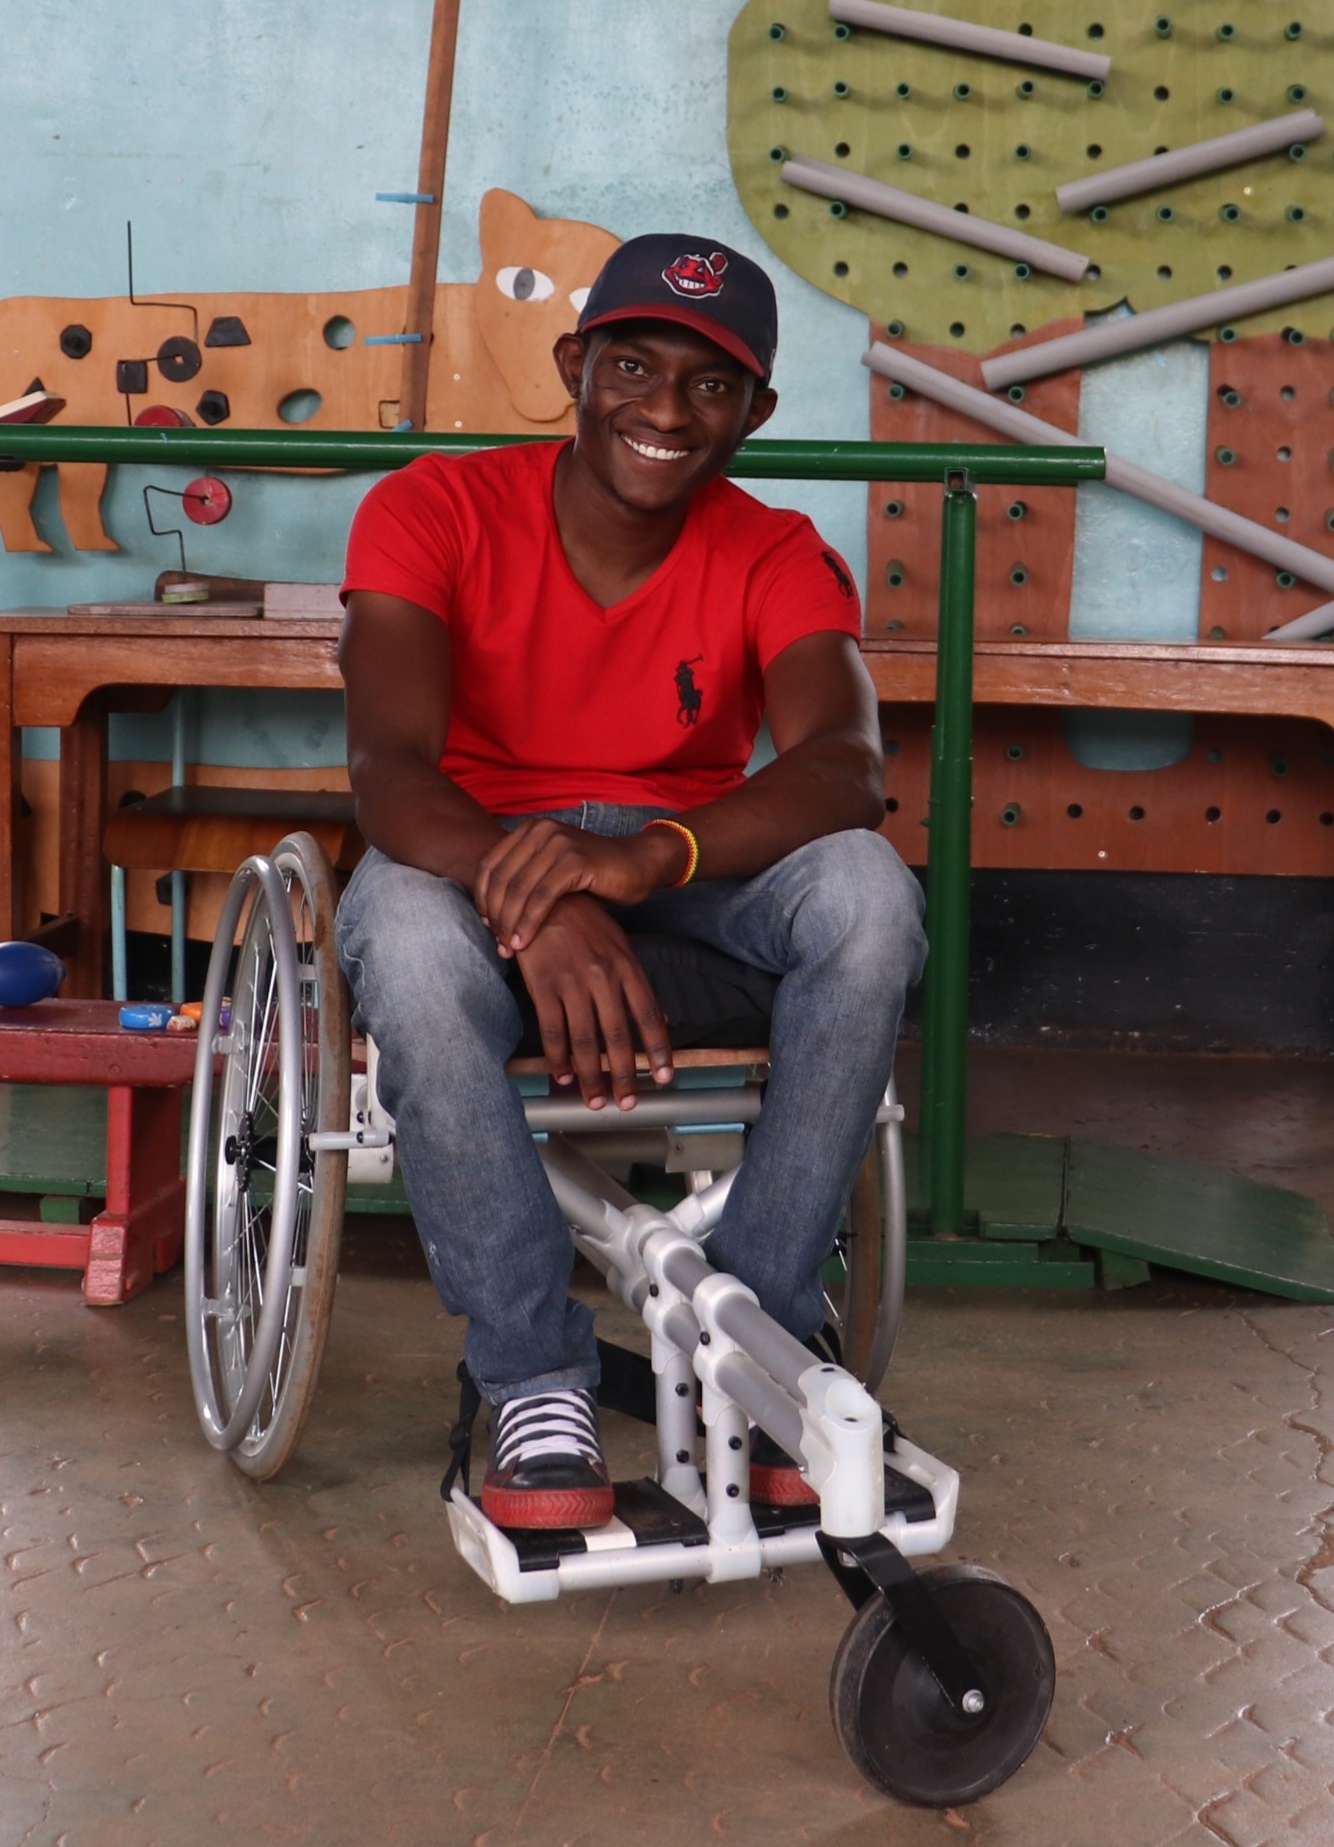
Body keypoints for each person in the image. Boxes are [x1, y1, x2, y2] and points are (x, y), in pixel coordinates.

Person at [334, 233, 924, 1531]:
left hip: (684, 884)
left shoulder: (773, 549)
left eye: (709, 385)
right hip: (470, 866)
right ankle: (532, 1375)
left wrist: (641, 856)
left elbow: (845, 765)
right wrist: (534, 894)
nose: (664, 408)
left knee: (870, 894)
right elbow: (385, 769)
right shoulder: (431, 507)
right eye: (632, 364)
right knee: (415, 950)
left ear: (755, 411)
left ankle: (760, 1336)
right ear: (573, 363)